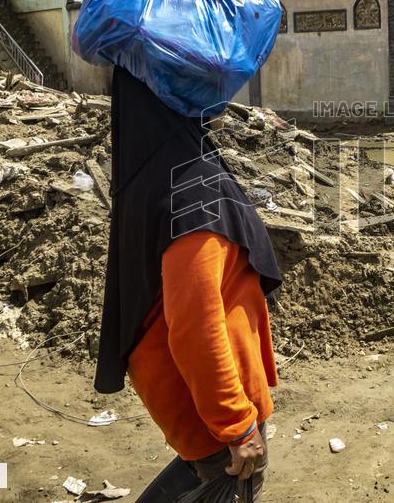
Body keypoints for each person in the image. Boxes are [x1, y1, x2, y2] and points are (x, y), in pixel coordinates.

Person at [93, 66, 283, 501]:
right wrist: (237, 425)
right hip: (215, 416)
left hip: (192, 403)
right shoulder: (194, 195)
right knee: (226, 479)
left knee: (198, 478)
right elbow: (196, 327)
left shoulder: (151, 169)